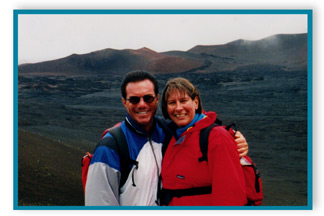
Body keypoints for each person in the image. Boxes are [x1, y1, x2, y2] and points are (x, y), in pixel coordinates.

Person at [85, 71, 248, 206]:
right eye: (134, 99)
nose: (142, 104)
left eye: (148, 98)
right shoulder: (111, 146)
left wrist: (232, 137)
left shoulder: (168, 132)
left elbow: (196, 124)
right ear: (124, 102)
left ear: (156, 99)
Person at [160, 77, 247, 206]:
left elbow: (231, 195)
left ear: (196, 102)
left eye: (183, 101)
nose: (178, 108)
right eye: (172, 103)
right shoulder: (170, 137)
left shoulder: (216, 136)